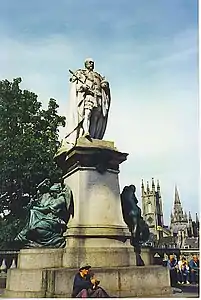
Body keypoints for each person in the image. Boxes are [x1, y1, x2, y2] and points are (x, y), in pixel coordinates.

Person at [64, 58, 111, 149]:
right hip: (89, 96)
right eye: (90, 62)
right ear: (85, 64)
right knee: (87, 114)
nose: (91, 64)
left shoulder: (98, 76)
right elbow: (77, 86)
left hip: (98, 98)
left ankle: (93, 137)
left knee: (96, 117)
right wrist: (83, 86)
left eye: (93, 62)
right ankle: (86, 132)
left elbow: (104, 86)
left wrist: (105, 86)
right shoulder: (81, 73)